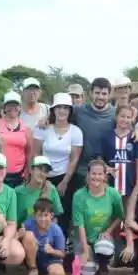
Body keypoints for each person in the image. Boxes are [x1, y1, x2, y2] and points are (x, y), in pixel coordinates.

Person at [34, 93, 84, 235]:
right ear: (53, 110)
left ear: (70, 111)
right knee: (42, 210)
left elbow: (74, 159)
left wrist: (65, 181)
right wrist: (40, 178)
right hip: (43, 177)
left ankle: (60, 245)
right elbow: (36, 154)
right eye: (59, 107)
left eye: (66, 108)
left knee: (63, 213)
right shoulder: (43, 128)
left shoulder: (76, 132)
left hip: (65, 177)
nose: (62, 111)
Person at [71, 159, 125, 275]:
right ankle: (84, 258)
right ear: (88, 175)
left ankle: (103, 264)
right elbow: (80, 225)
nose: (96, 177)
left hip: (102, 237)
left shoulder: (113, 194)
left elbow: (120, 216)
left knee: (104, 247)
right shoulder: (79, 195)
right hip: (83, 238)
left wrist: (108, 231)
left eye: (100, 174)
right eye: (93, 173)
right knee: (87, 273)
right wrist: (85, 249)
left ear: (105, 175)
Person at [75, 78, 117, 186]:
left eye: (104, 94)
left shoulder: (116, 114)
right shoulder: (78, 111)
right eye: (97, 93)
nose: (100, 97)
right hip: (82, 170)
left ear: (109, 95)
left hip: (105, 171)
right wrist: (46, 119)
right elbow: (59, 113)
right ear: (90, 93)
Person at [99, 104, 138, 201]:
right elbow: (99, 158)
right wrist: (107, 168)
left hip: (129, 184)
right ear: (116, 117)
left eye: (128, 117)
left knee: (128, 213)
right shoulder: (107, 136)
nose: (125, 119)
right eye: (122, 116)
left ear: (132, 119)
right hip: (110, 184)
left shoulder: (134, 138)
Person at [22, 199, 67, 275]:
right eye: (39, 215)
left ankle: (44, 273)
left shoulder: (56, 230)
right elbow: (16, 237)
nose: (43, 219)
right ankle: (33, 269)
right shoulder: (28, 224)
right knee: (28, 235)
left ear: (51, 215)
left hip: (50, 260)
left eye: (46, 215)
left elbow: (62, 253)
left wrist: (52, 251)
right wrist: (19, 235)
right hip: (33, 258)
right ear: (35, 215)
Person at [0, 91, 35, 187]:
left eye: (15, 105)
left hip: (20, 176)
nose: (12, 108)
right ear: (4, 107)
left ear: (20, 107)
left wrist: (29, 171)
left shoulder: (26, 129)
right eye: (9, 105)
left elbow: (29, 152)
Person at [15, 155, 64, 225]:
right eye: (40, 169)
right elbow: (12, 220)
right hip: (23, 232)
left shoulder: (51, 189)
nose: (42, 174)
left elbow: (55, 216)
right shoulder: (17, 192)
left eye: (46, 171)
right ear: (31, 170)